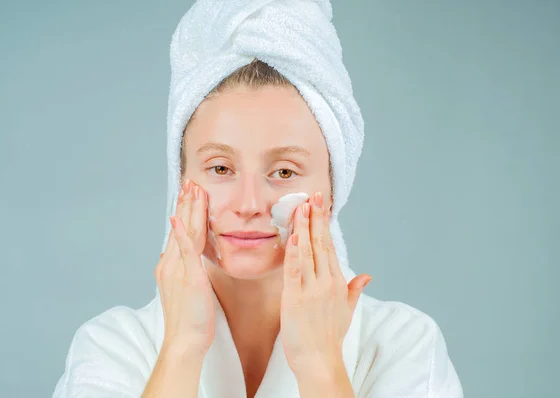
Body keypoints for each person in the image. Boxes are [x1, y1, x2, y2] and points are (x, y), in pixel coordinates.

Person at [53, 1, 463, 397]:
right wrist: (182, 348)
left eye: (284, 172)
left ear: (335, 187)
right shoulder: (111, 347)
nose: (249, 204)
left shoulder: (403, 346)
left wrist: (321, 367)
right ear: (181, 180)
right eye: (220, 168)